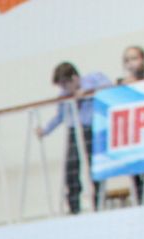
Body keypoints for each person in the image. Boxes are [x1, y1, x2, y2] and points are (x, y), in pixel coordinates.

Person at [38, 62, 112, 214]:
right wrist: (45, 130)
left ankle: (98, 204)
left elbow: (109, 87)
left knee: (94, 167)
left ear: (75, 78)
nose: (64, 89)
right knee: (71, 169)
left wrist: (87, 91)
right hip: (74, 130)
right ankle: (74, 207)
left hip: (91, 128)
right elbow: (60, 117)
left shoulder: (93, 79)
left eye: (66, 84)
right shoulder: (64, 96)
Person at [118, 47, 144, 204]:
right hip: (132, 132)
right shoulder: (121, 83)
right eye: (127, 60)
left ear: (143, 59)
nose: (131, 63)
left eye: (134, 58)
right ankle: (138, 194)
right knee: (134, 167)